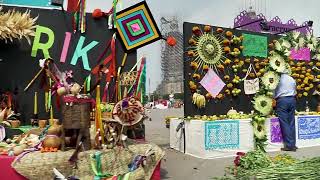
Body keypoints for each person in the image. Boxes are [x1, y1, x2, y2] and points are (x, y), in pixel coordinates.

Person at [274, 72, 297, 151]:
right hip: (292, 99)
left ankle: (289, 145)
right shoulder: (291, 79)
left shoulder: (278, 79)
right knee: (291, 122)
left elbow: (274, 90)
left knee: (284, 122)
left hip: (282, 100)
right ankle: (293, 144)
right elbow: (295, 89)